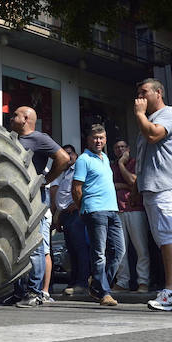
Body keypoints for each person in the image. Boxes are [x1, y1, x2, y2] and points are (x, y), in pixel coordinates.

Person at [133, 78, 172, 312]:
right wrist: (139, 186)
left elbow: (153, 135)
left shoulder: (170, 114)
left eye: (144, 92)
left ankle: (169, 291)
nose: (139, 98)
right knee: (170, 239)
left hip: (167, 186)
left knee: (168, 237)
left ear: (158, 93)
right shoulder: (150, 118)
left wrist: (139, 114)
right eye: (138, 93)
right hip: (154, 188)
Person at [10, 106, 71, 307]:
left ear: (26, 118)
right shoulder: (13, 138)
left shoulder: (39, 138)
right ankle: (19, 292)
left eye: (15, 114)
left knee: (35, 246)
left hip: (35, 200)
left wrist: (46, 179)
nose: (11, 117)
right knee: (17, 247)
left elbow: (63, 158)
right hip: (18, 200)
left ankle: (35, 292)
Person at [72, 124, 123, 306]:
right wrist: (83, 207)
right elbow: (76, 188)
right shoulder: (83, 159)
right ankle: (104, 292)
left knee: (118, 251)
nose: (98, 141)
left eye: (101, 137)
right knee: (99, 253)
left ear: (106, 139)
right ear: (88, 139)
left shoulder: (106, 158)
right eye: (95, 137)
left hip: (113, 210)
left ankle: (97, 284)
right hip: (95, 210)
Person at [110, 139, 153, 293]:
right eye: (116, 147)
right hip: (117, 210)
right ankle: (122, 281)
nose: (120, 149)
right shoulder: (111, 166)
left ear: (128, 148)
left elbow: (133, 182)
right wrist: (124, 185)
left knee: (141, 248)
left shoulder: (135, 162)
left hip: (135, 208)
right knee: (121, 249)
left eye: (122, 146)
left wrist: (122, 164)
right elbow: (110, 185)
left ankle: (143, 282)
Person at [50, 144, 90, 296]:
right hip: (64, 214)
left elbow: (84, 188)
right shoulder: (63, 172)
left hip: (76, 213)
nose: (68, 157)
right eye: (65, 154)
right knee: (71, 250)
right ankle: (74, 281)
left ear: (76, 155)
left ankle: (82, 282)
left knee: (80, 249)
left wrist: (77, 205)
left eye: (70, 153)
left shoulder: (78, 169)